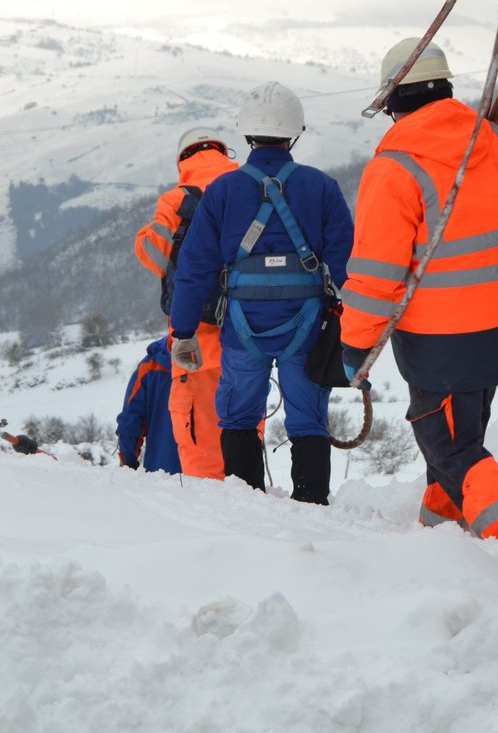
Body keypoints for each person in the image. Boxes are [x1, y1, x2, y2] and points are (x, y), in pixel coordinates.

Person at [341, 37, 498, 551]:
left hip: (440, 341)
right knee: (460, 437)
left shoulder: (396, 166)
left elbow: (375, 275)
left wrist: (354, 347)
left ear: (392, 102)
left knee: (450, 447)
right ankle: (441, 537)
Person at [168, 81, 354, 504]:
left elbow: (194, 269)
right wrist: (362, 326)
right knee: (308, 418)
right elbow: (348, 267)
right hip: (306, 325)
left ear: (246, 133)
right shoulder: (320, 187)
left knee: (237, 414)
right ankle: (311, 503)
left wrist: (182, 331)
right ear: (296, 132)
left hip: (242, 325)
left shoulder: (221, 192)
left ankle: (246, 502)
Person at [134, 127, 237, 479]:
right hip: (249, 341)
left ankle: (215, 521)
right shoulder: (251, 187)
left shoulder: (177, 199)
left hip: (194, 344)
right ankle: (254, 512)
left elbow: (153, 253)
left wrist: (145, 235)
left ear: (183, 160)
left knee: (200, 448)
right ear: (224, 153)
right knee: (242, 439)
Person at [116, 336, 181, 474]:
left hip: (163, 473)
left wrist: (128, 462)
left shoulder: (151, 364)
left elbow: (130, 420)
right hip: (221, 479)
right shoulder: (228, 355)